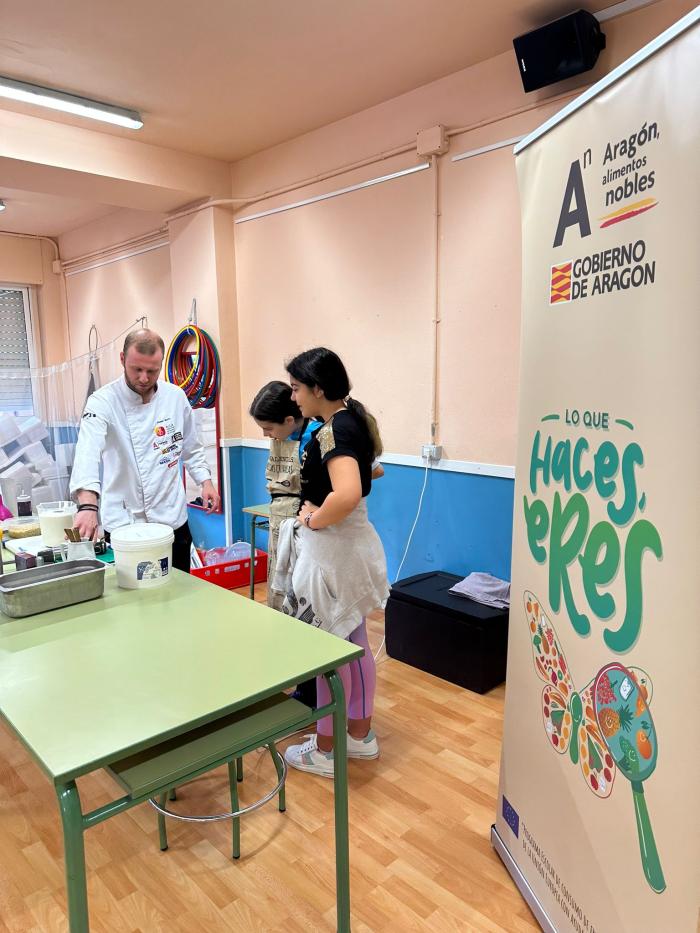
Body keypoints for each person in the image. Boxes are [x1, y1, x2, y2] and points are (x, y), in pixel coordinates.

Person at [280, 347, 389, 777]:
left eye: (295, 388)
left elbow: (345, 494)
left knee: (328, 649)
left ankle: (327, 749)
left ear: (318, 388)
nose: (293, 398)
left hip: (336, 551)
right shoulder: (347, 420)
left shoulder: (334, 430)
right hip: (349, 548)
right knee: (353, 643)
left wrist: (312, 516)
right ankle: (358, 736)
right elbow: (366, 475)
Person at [69, 328, 220, 571]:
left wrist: (205, 480)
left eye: (152, 370)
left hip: (171, 519)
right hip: (124, 523)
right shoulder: (102, 401)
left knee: (178, 595)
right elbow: (87, 451)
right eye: (136, 369)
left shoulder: (176, 397)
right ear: (122, 360)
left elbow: (191, 447)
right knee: (130, 600)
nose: (143, 378)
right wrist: (88, 505)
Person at [249, 381, 318, 611]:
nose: (265, 434)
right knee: (277, 585)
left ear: (289, 420)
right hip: (278, 516)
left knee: (298, 589)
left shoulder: (316, 435)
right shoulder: (283, 435)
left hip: (301, 520)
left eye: (268, 428)